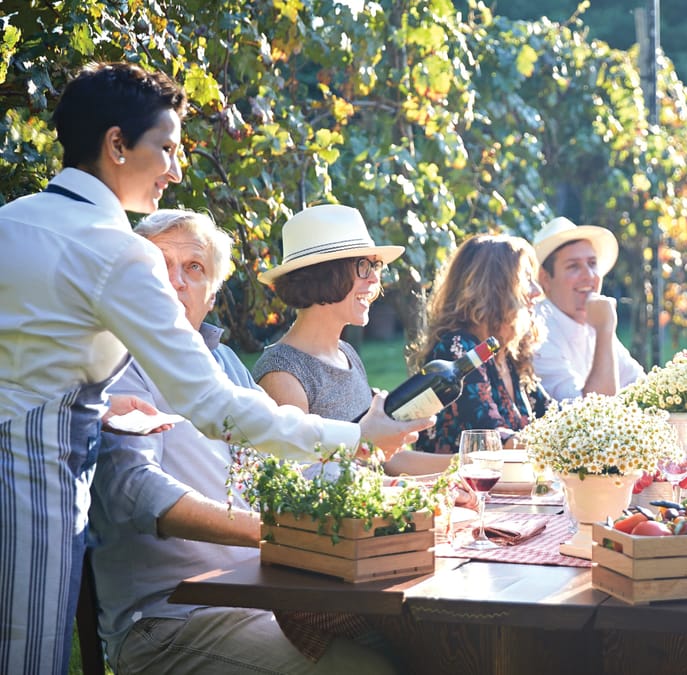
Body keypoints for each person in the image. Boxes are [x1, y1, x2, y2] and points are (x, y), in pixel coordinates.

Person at [0, 62, 423, 675]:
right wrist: (355, 437)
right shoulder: (117, 251)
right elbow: (213, 408)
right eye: (167, 148)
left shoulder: (14, 220)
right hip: (36, 489)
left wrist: (93, 401)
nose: (176, 170)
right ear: (117, 145)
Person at [89, 210, 395, 674]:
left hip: (261, 593)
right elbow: (137, 492)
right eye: (157, 264)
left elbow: (288, 460)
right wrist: (274, 531)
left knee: (405, 639)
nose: (174, 281)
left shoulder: (225, 361)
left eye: (193, 268)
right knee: (369, 670)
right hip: (172, 618)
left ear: (212, 294)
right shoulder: (115, 365)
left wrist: (392, 495)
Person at [252, 204, 451, 476]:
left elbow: (382, 460)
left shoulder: (346, 355)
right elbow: (303, 481)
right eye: (362, 266)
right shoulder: (283, 375)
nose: (375, 279)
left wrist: (469, 463)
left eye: (375, 265)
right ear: (323, 274)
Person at [413, 234, 550, 453]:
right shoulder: (459, 348)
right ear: (495, 288)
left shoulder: (508, 354)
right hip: (455, 476)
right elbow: (492, 439)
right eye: (526, 279)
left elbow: (552, 417)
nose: (538, 291)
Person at [531, 216, 643, 400]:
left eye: (592, 263)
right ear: (545, 279)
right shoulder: (537, 331)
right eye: (573, 266)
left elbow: (642, 387)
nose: (589, 276)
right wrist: (605, 330)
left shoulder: (593, 318)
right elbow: (594, 408)